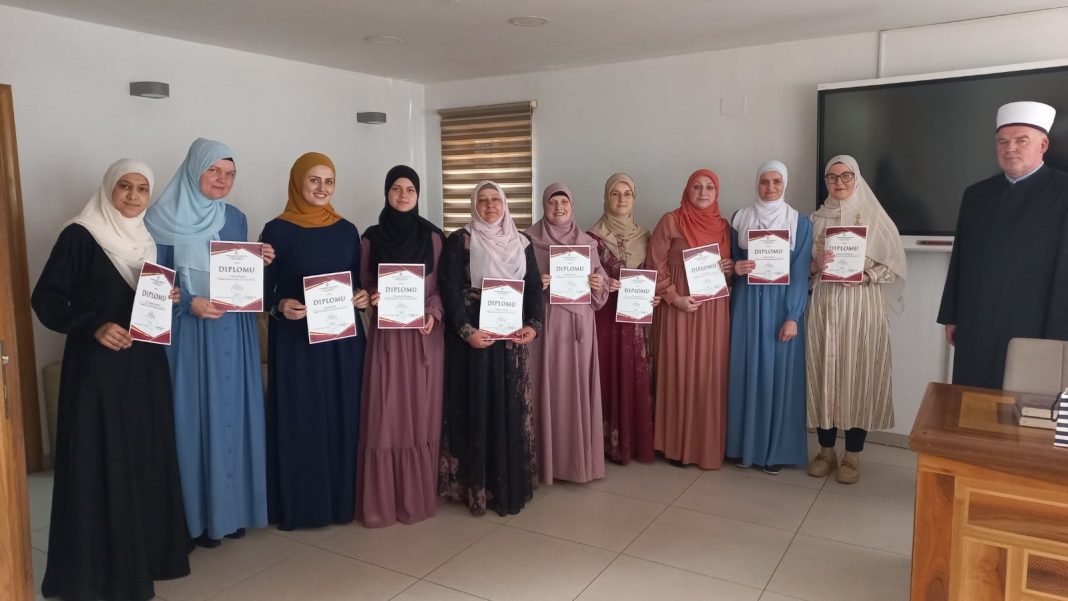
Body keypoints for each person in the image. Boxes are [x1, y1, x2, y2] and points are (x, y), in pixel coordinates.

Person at [33, 159, 191, 600]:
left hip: (144, 366)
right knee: (102, 457)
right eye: (125, 186)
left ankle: (148, 557)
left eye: (142, 188)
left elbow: (142, 302)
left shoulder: (146, 240)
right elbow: (46, 299)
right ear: (108, 189)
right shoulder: (80, 235)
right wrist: (94, 326)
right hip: (97, 369)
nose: (133, 196)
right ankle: (99, 570)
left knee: (144, 453)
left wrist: (169, 297)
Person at [146, 138, 270, 546]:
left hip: (235, 330)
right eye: (213, 170)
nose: (222, 180)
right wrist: (189, 303)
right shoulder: (158, 220)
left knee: (236, 417)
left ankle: (234, 512)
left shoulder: (235, 218)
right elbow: (153, 287)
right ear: (193, 170)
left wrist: (260, 260)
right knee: (193, 420)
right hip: (189, 336)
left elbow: (239, 274)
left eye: (230, 173)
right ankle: (197, 519)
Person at [261, 152, 369, 530]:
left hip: (342, 342)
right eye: (314, 180)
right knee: (303, 419)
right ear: (297, 182)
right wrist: (280, 304)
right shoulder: (276, 231)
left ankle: (344, 501)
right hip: (297, 343)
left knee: (344, 415)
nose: (322, 188)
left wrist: (362, 297)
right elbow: (264, 290)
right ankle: (305, 505)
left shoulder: (347, 230)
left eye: (329, 181)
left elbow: (358, 281)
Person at [938, 101, 1068, 389]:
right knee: (972, 397)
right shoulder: (976, 195)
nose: (1010, 148)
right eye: (1003, 141)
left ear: (1043, 145)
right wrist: (952, 316)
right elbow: (960, 259)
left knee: (1027, 402)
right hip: (977, 318)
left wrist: (1060, 332)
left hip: (1037, 321)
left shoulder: (1063, 192)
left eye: (1022, 140)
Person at [438, 181, 543, 516]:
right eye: (482, 200)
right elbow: (449, 289)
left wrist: (533, 326)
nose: (489, 206)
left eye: (495, 199)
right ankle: (477, 487)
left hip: (510, 340)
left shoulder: (522, 242)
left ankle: (508, 485)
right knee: (476, 405)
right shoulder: (460, 240)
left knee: (508, 407)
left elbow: (533, 289)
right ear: (473, 205)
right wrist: (465, 330)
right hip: (474, 341)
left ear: (505, 203)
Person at [806, 155, 906, 484]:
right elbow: (799, 270)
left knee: (859, 375)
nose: (839, 183)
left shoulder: (875, 217)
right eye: (832, 177)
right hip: (824, 306)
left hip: (862, 307)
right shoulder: (815, 220)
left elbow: (894, 264)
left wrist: (866, 275)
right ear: (826, 181)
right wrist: (815, 264)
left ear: (857, 178)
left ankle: (852, 454)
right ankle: (825, 451)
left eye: (846, 176)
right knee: (824, 375)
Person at [356, 165, 446, 527]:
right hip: (388, 340)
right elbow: (363, 284)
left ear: (418, 194)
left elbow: (443, 288)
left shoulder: (434, 237)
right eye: (396, 188)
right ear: (387, 193)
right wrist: (371, 296)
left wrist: (434, 312)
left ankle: (417, 497)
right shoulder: (371, 238)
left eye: (410, 189)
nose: (404, 194)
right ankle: (383, 501)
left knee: (422, 416)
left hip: (424, 338)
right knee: (385, 415)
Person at [727, 161, 813, 474]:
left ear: (785, 184)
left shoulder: (799, 222)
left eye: (777, 181)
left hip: (781, 305)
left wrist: (793, 315)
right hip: (747, 303)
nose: (770, 188)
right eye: (764, 181)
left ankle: (776, 451)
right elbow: (732, 262)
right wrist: (736, 269)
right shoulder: (740, 217)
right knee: (746, 370)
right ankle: (743, 446)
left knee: (778, 374)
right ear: (757, 184)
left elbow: (801, 271)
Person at [648, 168, 734, 469]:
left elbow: (729, 269)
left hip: (712, 309)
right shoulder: (671, 220)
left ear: (717, 192)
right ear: (687, 190)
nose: (703, 192)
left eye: (709, 187)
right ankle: (674, 446)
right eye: (697, 186)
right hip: (679, 306)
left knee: (708, 373)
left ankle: (704, 446)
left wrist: (728, 268)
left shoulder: (723, 226)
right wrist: (674, 298)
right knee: (678, 369)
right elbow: (654, 263)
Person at [527, 182, 610, 483]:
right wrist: (535, 284)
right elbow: (515, 283)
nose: (558, 208)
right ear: (544, 206)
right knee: (544, 387)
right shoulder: (527, 240)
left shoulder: (587, 243)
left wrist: (598, 283)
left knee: (575, 390)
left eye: (564, 202)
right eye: (553, 202)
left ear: (572, 206)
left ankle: (576, 462)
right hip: (545, 326)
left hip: (578, 330)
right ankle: (544, 462)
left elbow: (600, 288)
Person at [587, 173, 655, 465]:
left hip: (635, 318)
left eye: (627, 194)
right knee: (607, 372)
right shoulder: (591, 238)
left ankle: (633, 442)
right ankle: (606, 443)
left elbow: (654, 274)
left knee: (635, 372)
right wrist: (601, 283)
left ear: (634, 199)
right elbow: (585, 279)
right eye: (615, 193)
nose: (621, 199)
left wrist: (654, 295)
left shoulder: (646, 236)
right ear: (606, 198)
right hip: (604, 317)